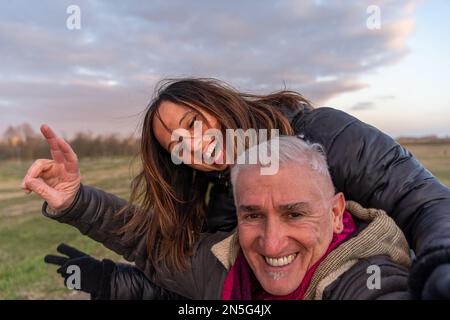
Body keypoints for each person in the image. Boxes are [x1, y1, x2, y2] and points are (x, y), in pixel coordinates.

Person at [22, 78, 450, 299]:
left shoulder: (322, 132)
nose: (193, 145)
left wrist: (440, 267)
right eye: (177, 146)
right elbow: (188, 270)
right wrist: (78, 203)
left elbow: (422, 200)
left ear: (216, 100)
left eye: (192, 123)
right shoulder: (219, 201)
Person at [47, 137, 413, 299]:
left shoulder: (368, 278)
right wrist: (75, 201)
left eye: (295, 213)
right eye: (252, 214)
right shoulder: (224, 261)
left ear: (336, 213)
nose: (271, 243)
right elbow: (149, 243)